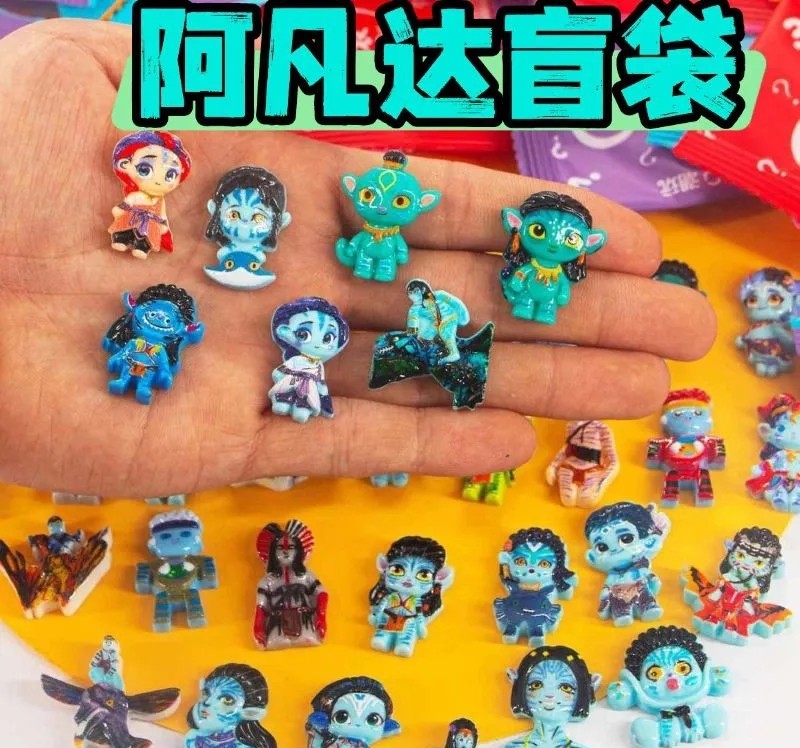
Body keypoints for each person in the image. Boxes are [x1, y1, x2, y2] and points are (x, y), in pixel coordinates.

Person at [0, 19, 716, 499]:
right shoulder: (193, 261)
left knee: (487, 297)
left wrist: (512, 288)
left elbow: (439, 274)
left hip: (381, 285)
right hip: (231, 285)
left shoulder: (424, 266)